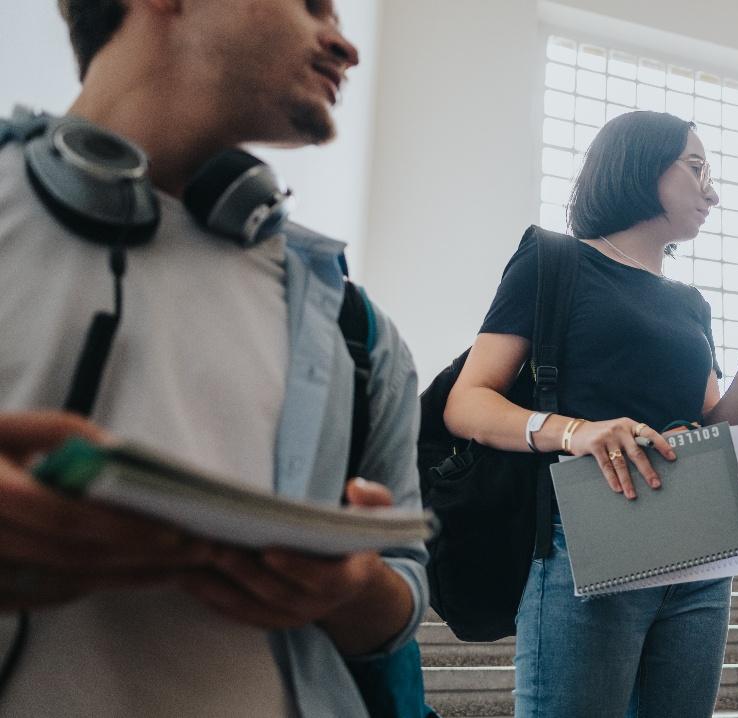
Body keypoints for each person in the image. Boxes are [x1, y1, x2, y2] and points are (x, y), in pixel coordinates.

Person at [0, 1, 427, 715]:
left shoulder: (360, 335)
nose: (346, 47)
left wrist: (353, 587)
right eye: (310, 3)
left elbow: (401, 599)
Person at [443, 110, 738, 717]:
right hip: (586, 537)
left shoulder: (690, 304)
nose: (712, 190)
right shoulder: (552, 261)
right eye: (696, 168)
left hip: (698, 542)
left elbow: (717, 427)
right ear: (640, 166)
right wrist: (578, 432)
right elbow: (468, 401)